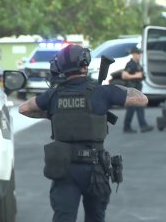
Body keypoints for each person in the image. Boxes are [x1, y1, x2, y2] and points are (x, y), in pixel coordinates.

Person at [18, 44, 148, 222]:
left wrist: (52, 114)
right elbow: (141, 99)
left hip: (64, 169)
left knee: (64, 218)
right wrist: (118, 89)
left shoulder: (53, 95)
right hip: (95, 169)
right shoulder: (102, 92)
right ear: (85, 65)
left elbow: (24, 108)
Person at [122, 46, 154, 133]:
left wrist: (141, 76)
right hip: (132, 89)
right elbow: (124, 75)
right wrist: (136, 76)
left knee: (140, 106)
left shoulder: (138, 64)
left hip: (138, 88)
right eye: (138, 53)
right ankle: (126, 127)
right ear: (133, 54)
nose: (139, 55)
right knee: (131, 108)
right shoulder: (130, 64)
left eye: (140, 53)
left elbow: (141, 75)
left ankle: (143, 125)